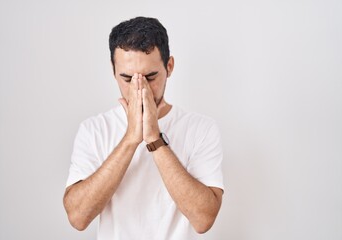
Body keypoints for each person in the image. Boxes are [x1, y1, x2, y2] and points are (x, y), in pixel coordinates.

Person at [63, 16, 224, 240]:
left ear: (169, 67)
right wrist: (131, 138)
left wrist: (153, 138)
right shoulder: (94, 129)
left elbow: (203, 219)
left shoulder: (201, 128)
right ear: (113, 70)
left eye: (150, 76)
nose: (140, 88)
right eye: (127, 78)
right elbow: (78, 218)